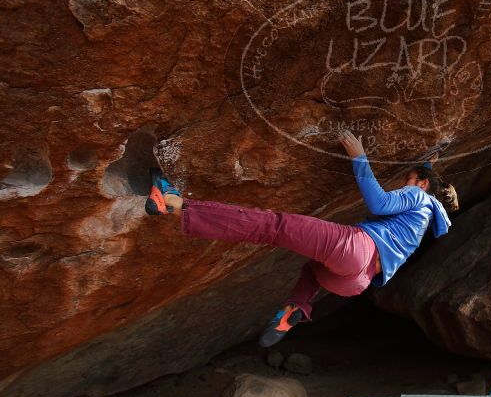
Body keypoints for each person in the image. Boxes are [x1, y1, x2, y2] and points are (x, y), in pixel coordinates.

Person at [145, 130, 458, 347]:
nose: (404, 183)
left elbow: (380, 203)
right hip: (354, 282)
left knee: (271, 226)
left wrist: (359, 157)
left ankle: (172, 202)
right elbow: (424, 175)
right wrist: (430, 159)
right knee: (311, 270)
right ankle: (298, 307)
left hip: (355, 249)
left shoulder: (417, 197)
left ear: (422, 184)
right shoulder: (424, 219)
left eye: (409, 179)